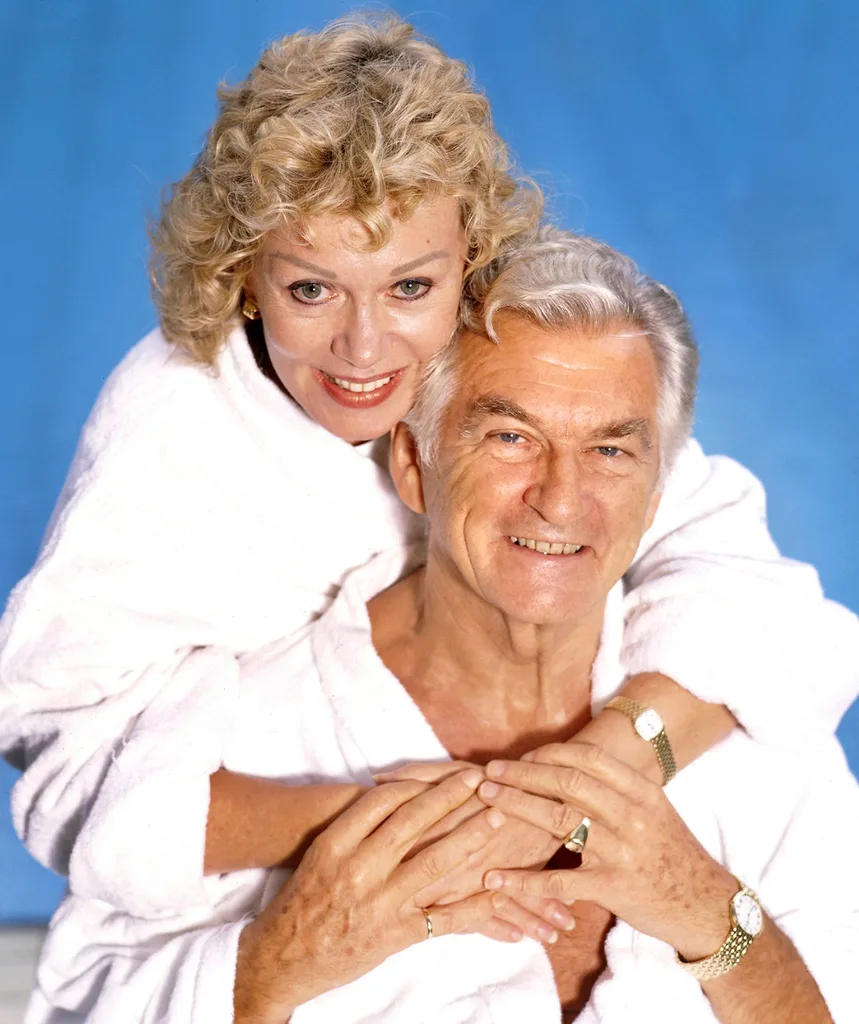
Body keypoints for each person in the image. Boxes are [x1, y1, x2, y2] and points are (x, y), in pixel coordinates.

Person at [1, 13, 857, 932]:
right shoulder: (171, 430)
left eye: (410, 287)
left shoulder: (502, 351)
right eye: (310, 289)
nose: (364, 349)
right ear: (242, 274)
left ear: (470, 263)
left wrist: (608, 768)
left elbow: (762, 605)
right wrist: (424, 826)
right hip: (285, 901)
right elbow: (68, 774)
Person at [26, 231, 859, 1023]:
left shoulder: (752, 738)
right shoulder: (234, 744)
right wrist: (277, 960)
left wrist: (705, 909)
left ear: (656, 497)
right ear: (413, 465)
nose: (560, 499)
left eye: (610, 451)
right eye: (509, 437)